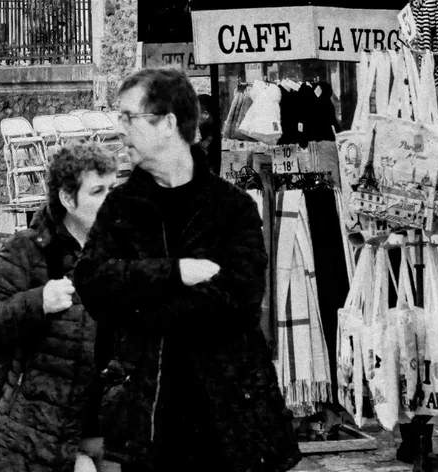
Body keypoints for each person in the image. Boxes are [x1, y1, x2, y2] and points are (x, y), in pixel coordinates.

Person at [76, 68, 299, 472]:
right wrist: (175, 273)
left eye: (129, 117)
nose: (119, 128)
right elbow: (93, 283)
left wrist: (140, 307)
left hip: (230, 417)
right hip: (147, 419)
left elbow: (240, 300)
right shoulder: (121, 208)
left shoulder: (231, 207)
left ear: (168, 123)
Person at [0, 144, 118, 472]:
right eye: (98, 191)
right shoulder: (29, 249)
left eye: (113, 189)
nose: (111, 200)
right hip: (43, 430)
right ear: (67, 198)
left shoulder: (123, 251)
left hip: (111, 431)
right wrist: (37, 302)